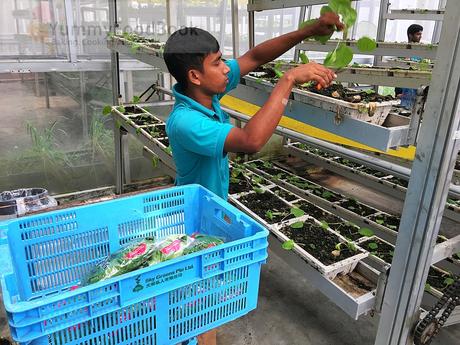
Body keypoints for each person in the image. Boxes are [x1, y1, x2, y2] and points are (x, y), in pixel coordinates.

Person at [164, 13, 343, 343]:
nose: (226, 68)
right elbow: (251, 141)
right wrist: (287, 81)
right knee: (201, 299)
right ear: (195, 75)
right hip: (194, 222)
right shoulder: (186, 122)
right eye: (218, 63)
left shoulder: (205, 94)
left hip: (212, 210)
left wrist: (311, 30)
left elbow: (256, 57)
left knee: (206, 297)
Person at [395, 24, 423, 108]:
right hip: (404, 88)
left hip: (416, 88)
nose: (420, 37)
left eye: (421, 34)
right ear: (410, 35)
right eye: (418, 34)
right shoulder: (403, 51)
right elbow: (397, 71)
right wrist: (399, 92)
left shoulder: (421, 52)